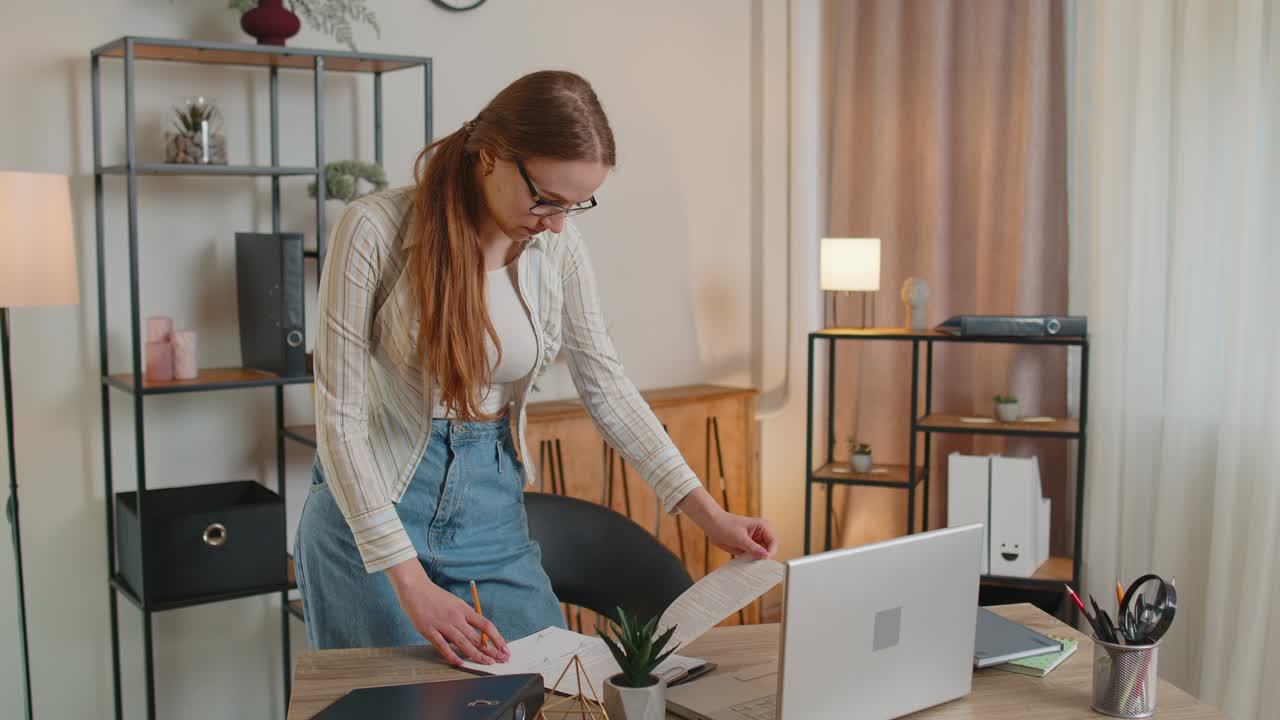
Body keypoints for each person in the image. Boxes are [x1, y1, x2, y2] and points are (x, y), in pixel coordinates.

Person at [294, 70, 779, 667]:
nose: (556, 223)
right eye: (546, 199)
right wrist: (410, 584)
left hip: (491, 509)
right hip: (373, 508)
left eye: (576, 205)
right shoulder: (372, 229)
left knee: (555, 689)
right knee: (388, 707)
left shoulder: (558, 247)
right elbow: (339, 423)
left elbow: (609, 389)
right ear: (490, 158)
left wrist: (711, 514)